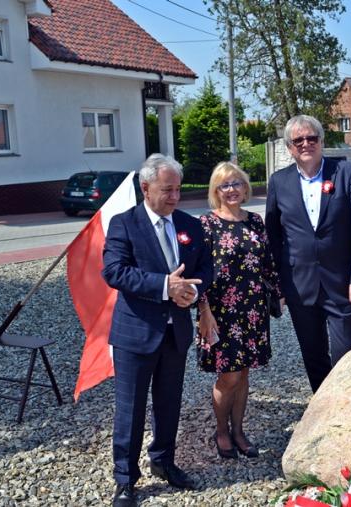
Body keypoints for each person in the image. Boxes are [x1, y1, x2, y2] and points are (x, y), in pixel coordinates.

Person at [102, 154, 212, 506]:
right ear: (145, 188)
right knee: (130, 409)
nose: (175, 197)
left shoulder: (189, 224)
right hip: (136, 333)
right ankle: (125, 479)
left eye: (178, 189)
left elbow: (205, 268)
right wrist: (165, 286)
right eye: (168, 190)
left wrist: (192, 292)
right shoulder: (124, 224)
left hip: (175, 333)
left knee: (168, 404)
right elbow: (115, 272)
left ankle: (163, 461)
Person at [265, 114, 351, 393]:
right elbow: (274, 238)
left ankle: (340, 404)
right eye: (298, 140)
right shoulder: (279, 182)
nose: (306, 144)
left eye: (311, 138)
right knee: (313, 356)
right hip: (299, 286)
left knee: (344, 355)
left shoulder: (346, 173)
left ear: (321, 141)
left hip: (342, 284)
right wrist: (278, 287)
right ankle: (322, 407)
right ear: (289, 147)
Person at [196, 162, 280, 460]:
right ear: (215, 191)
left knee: (243, 374)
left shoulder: (255, 221)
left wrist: (279, 295)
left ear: (245, 187)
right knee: (229, 376)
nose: (231, 189)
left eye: (236, 183)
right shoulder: (206, 224)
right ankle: (221, 430)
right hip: (220, 313)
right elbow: (198, 271)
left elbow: (268, 263)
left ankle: (239, 431)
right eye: (224, 185)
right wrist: (203, 309)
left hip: (253, 310)